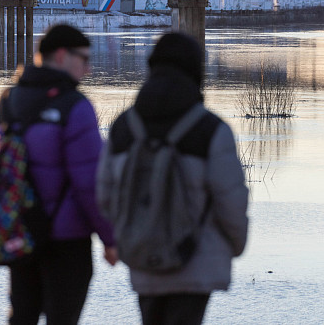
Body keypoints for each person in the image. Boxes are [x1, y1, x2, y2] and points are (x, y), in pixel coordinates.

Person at [102, 32, 249, 325]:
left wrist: (128, 234)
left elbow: (105, 196)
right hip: (196, 261)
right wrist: (235, 245)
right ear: (196, 70)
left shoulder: (123, 128)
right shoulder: (210, 129)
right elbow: (230, 200)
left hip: (144, 258)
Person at [0, 24, 117, 325]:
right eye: (84, 60)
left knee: (22, 316)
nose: (87, 70)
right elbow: (89, 183)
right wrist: (110, 238)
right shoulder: (76, 107)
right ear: (62, 56)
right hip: (67, 239)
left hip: (22, 230)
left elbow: (13, 167)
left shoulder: (9, 99)